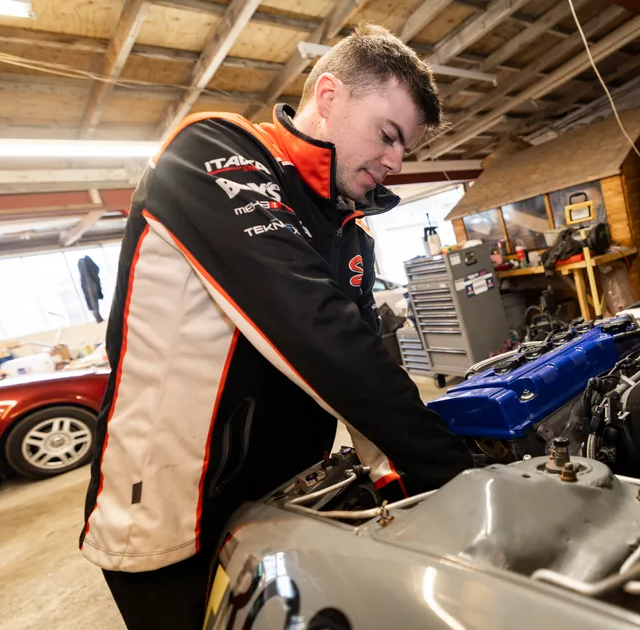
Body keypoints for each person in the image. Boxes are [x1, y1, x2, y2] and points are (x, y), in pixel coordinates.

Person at [79, 24, 474, 629]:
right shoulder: (213, 151)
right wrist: (451, 471)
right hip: (169, 516)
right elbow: (313, 328)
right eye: (388, 136)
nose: (396, 162)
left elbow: (359, 353)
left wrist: (390, 474)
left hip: (281, 503)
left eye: (405, 150)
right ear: (329, 94)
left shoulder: (347, 228)